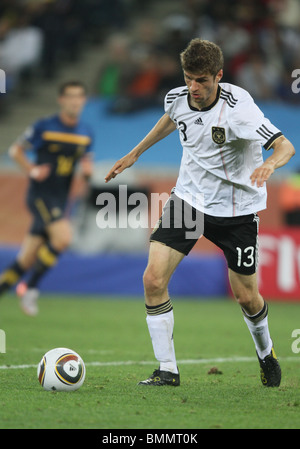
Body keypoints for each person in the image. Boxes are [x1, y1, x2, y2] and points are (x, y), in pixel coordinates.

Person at [105, 39, 295, 388]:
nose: (194, 87)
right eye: (189, 78)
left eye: (202, 80)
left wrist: (269, 165)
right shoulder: (178, 98)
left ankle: (266, 352)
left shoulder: (240, 108)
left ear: (218, 76)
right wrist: (135, 153)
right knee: (153, 280)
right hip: (189, 201)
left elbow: (285, 145)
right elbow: (171, 119)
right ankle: (167, 370)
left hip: (237, 210)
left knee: (246, 297)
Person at [0, 81, 93, 316]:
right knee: (64, 237)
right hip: (41, 195)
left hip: (61, 199)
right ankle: (30, 288)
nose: (74, 101)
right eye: (70, 96)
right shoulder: (45, 126)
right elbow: (15, 150)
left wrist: (87, 172)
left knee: (26, 259)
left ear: (84, 101)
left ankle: (11, 286)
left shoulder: (86, 133)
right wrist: (31, 170)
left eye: (79, 97)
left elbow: (85, 164)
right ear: (61, 100)